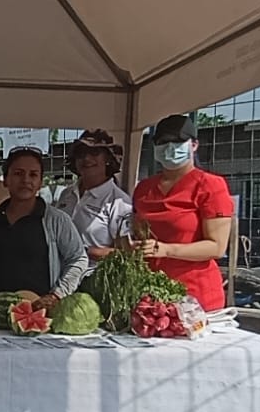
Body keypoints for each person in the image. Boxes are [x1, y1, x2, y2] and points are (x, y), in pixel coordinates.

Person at [130, 114, 235, 312]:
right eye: (163, 142)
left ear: (194, 145)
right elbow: (137, 232)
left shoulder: (210, 185)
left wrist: (167, 250)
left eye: (177, 141)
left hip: (195, 298)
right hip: (149, 295)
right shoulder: (143, 189)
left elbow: (217, 247)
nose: (169, 147)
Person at [0, 148, 88, 308]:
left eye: (33, 175)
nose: (25, 180)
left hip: (40, 311)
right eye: (18, 173)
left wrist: (57, 295)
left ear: (40, 182)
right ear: (5, 180)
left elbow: (78, 259)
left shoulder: (56, 220)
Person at [53, 130, 133, 279]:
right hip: (58, 277)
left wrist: (82, 250)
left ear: (108, 158)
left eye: (95, 152)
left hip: (93, 280)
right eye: (81, 153)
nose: (87, 158)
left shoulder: (119, 202)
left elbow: (126, 253)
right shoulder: (66, 194)